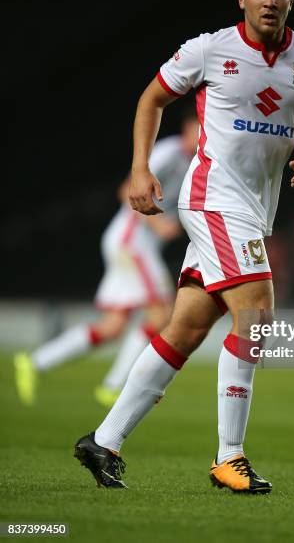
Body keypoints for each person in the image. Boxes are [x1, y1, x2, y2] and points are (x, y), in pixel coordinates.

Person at [74, 0, 294, 494]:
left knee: (185, 330)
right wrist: (140, 168)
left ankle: (104, 439)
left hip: (255, 210)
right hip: (212, 198)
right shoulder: (211, 49)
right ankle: (229, 457)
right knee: (257, 316)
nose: (270, 2)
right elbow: (151, 100)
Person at [14, 109, 199, 407]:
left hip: (130, 243)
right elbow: (128, 189)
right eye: (201, 127)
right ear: (189, 127)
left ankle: (35, 362)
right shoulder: (170, 151)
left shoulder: (192, 163)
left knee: (113, 326)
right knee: (161, 313)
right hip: (133, 241)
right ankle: (116, 385)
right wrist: (158, 224)